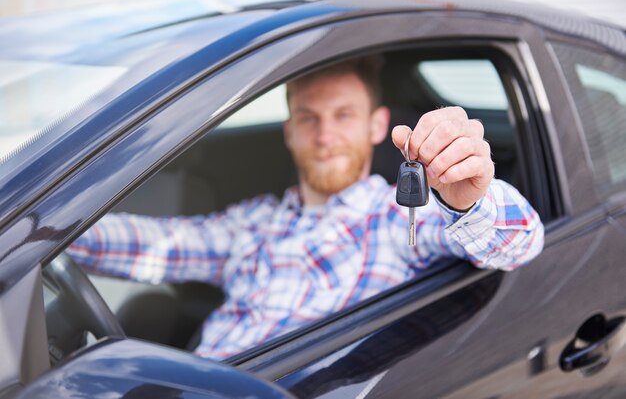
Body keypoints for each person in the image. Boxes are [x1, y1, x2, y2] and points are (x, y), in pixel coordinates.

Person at [67, 56, 544, 360]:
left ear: (377, 126)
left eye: (343, 116)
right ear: (289, 131)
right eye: (308, 118)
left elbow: (520, 242)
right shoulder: (252, 221)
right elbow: (152, 245)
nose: (324, 135)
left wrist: (469, 196)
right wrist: (44, 228)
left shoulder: (395, 217)